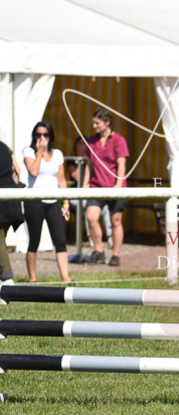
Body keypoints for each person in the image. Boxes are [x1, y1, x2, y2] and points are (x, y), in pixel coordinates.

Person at [22, 122, 72, 283]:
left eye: (45, 134)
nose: (42, 138)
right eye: (39, 134)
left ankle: (65, 277)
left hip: (54, 200)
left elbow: (61, 180)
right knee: (34, 240)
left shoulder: (57, 154)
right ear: (34, 136)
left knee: (60, 240)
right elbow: (33, 171)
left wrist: (65, 203)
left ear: (51, 136)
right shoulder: (29, 151)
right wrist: (39, 152)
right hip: (34, 200)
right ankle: (32, 278)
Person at [83, 109, 129, 267]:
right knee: (91, 217)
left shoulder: (119, 140)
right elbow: (89, 164)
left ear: (107, 123)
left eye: (97, 123)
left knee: (115, 220)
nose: (94, 126)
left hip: (115, 185)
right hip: (96, 185)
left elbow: (122, 163)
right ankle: (99, 251)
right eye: (93, 123)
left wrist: (118, 185)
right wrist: (84, 184)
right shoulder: (92, 141)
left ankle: (115, 255)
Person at [0, 139, 24, 287]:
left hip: (3, 199)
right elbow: (18, 170)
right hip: (13, 197)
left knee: (0, 240)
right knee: (2, 240)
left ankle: (7, 278)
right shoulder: (5, 147)